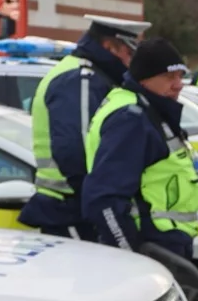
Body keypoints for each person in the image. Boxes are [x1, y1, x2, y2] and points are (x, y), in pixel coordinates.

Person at [18, 15, 145, 238]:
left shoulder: (94, 75)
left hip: (75, 208)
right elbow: (77, 152)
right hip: (70, 211)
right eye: (129, 52)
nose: (131, 60)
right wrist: (101, 206)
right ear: (110, 46)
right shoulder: (81, 79)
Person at [81, 38, 198, 260]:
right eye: (168, 77)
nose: (178, 84)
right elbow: (103, 198)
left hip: (164, 243)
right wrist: (131, 256)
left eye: (180, 75)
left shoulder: (147, 109)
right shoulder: (131, 119)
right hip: (150, 248)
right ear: (144, 80)